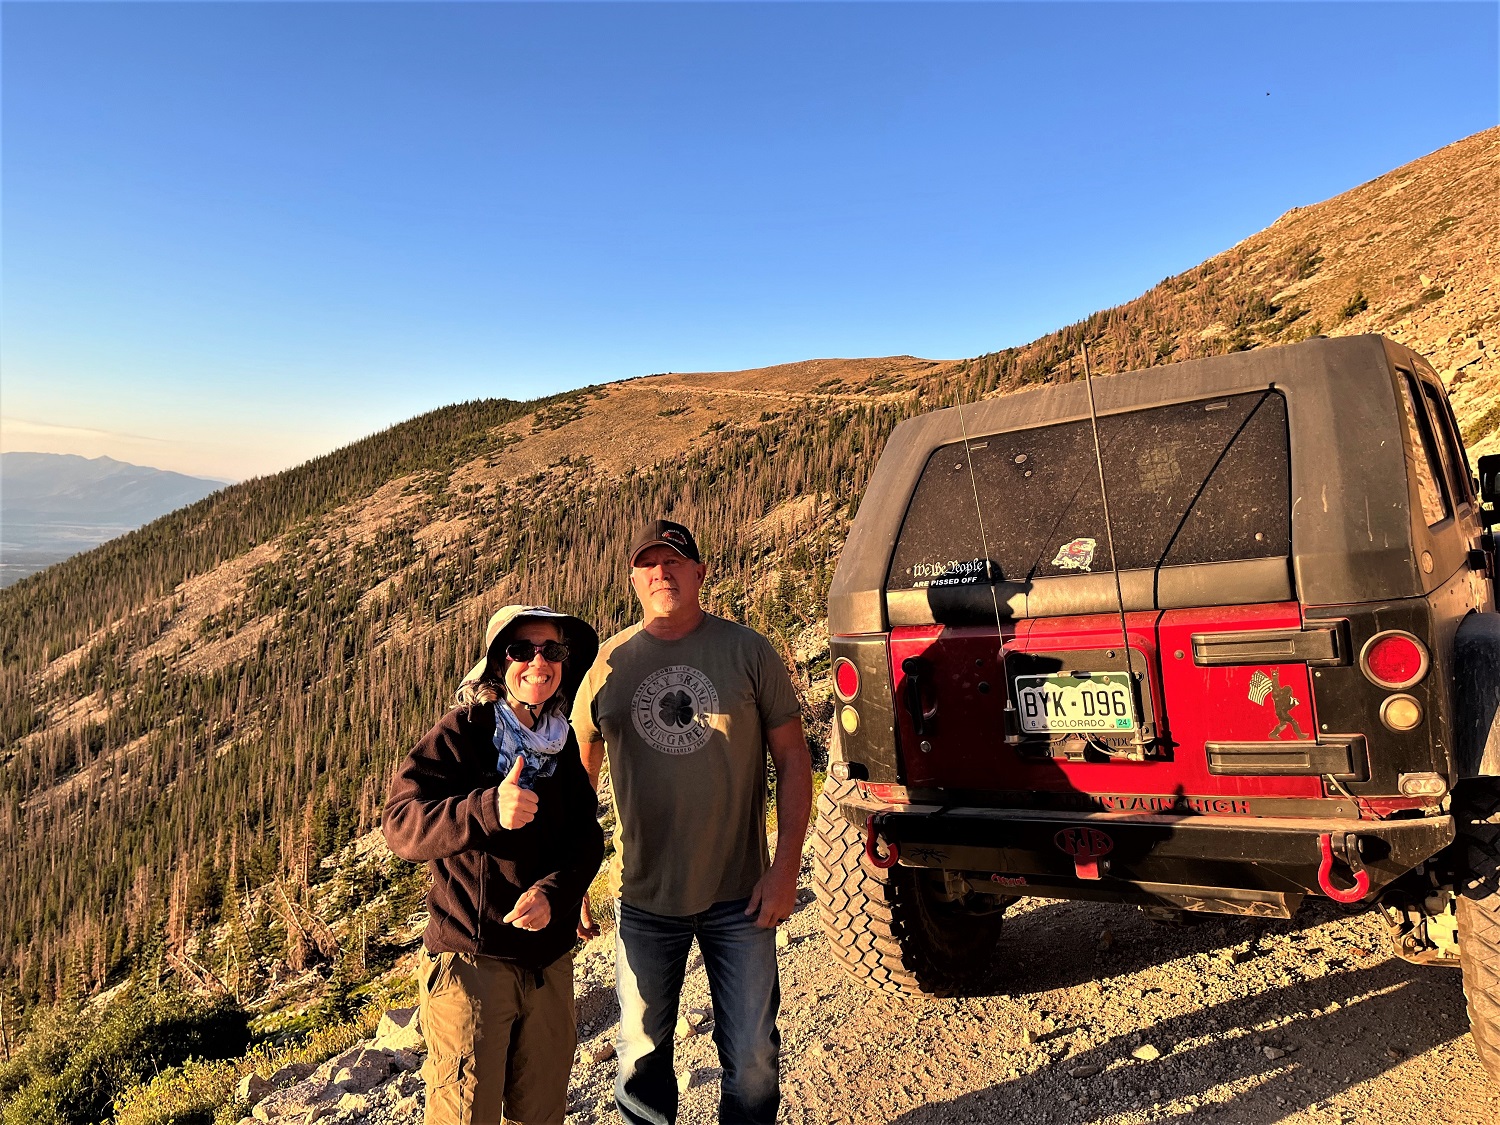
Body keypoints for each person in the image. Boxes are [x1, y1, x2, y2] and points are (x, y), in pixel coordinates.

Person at [571, 519, 814, 1125]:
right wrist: (571, 874)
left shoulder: (747, 650)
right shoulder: (608, 664)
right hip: (645, 899)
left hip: (742, 894)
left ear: (700, 573)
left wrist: (786, 869)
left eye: (674, 560)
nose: (662, 572)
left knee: (753, 1057)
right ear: (632, 579)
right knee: (641, 1061)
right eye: (648, 564)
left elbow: (793, 758)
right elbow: (578, 778)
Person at [383, 604, 605, 1125]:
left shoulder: (559, 738)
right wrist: (486, 808)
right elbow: (400, 823)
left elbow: (585, 838)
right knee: (467, 1116)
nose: (538, 662)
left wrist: (554, 893)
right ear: (496, 664)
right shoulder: (465, 731)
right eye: (521, 650)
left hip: (547, 964)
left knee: (542, 1113)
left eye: (550, 650)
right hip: (471, 963)